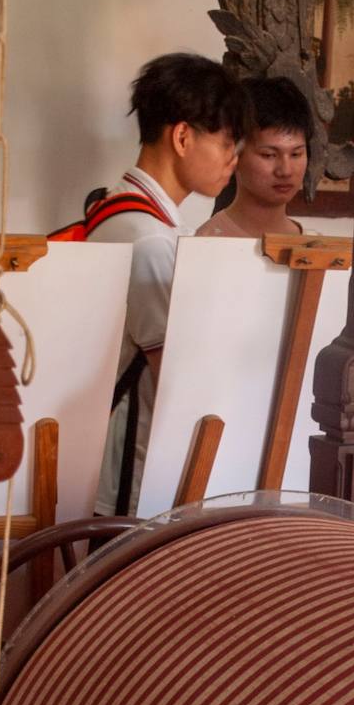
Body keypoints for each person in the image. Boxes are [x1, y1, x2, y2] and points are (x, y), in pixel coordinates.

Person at [91, 52, 246, 517]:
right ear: (182, 136)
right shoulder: (150, 240)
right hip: (131, 478)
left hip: (109, 463)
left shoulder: (114, 212)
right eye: (227, 146)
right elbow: (177, 377)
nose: (232, 162)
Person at [197, 77, 311, 239]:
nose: (285, 170)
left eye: (296, 154)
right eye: (269, 155)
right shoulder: (206, 244)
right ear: (233, 153)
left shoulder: (314, 249)